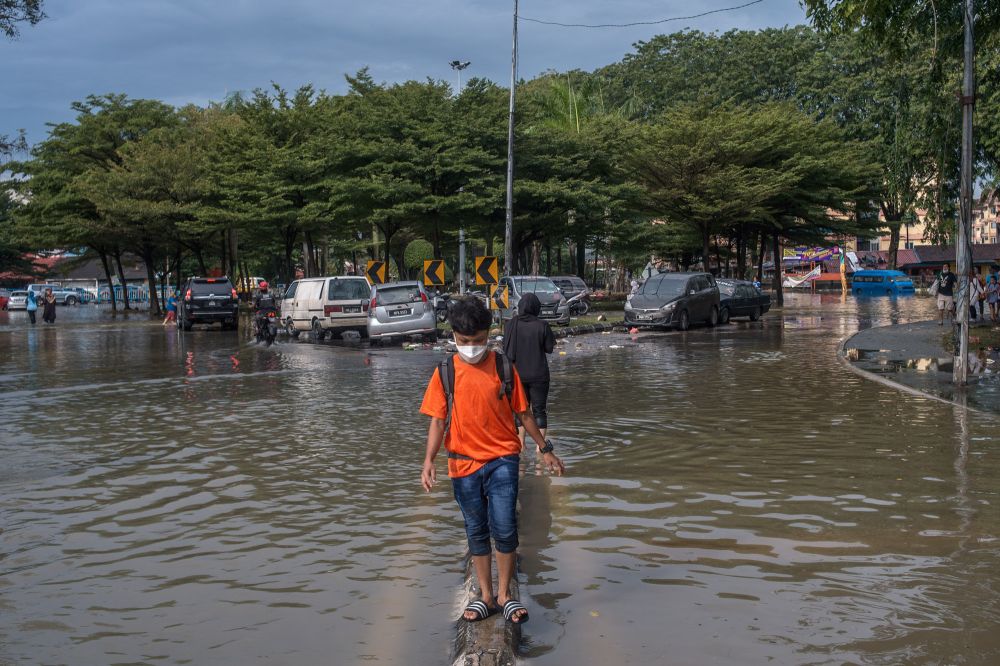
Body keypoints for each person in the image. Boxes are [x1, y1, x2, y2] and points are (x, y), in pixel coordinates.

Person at [420, 297, 565, 625]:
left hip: (502, 458)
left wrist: (545, 449)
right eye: (465, 341)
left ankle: (506, 595)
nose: (472, 347)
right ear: (453, 336)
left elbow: (523, 413)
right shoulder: (445, 372)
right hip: (462, 463)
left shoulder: (502, 367)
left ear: (490, 335)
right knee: (476, 529)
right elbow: (437, 421)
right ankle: (486, 595)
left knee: (504, 525)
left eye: (479, 341)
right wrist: (428, 461)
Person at [502, 293, 556, 446]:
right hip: (539, 375)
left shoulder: (510, 324)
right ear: (536, 308)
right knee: (539, 410)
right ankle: (541, 448)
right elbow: (549, 349)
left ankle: (521, 444)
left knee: (520, 410)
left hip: (516, 375)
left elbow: (505, 348)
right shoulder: (542, 325)